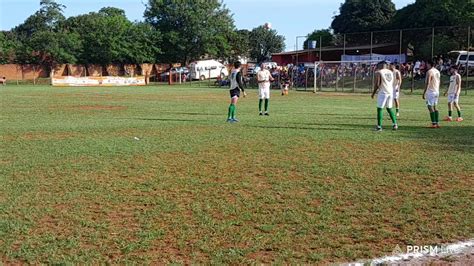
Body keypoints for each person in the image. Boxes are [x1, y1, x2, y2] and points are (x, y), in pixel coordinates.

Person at [371, 61, 398, 132]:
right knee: (389, 108)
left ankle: (379, 127)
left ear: (381, 65)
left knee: (379, 109)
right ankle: (395, 124)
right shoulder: (391, 72)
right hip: (390, 92)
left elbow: (377, 84)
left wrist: (373, 93)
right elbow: (393, 82)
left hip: (383, 92)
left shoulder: (379, 72)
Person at [423, 60, 441, 128]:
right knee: (435, 106)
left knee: (430, 106)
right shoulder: (437, 71)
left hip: (430, 91)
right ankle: (437, 123)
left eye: (427, 64)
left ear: (429, 64)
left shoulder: (429, 71)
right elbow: (439, 81)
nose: (426, 65)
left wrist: (424, 92)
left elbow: (428, 82)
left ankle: (433, 124)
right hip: (436, 91)